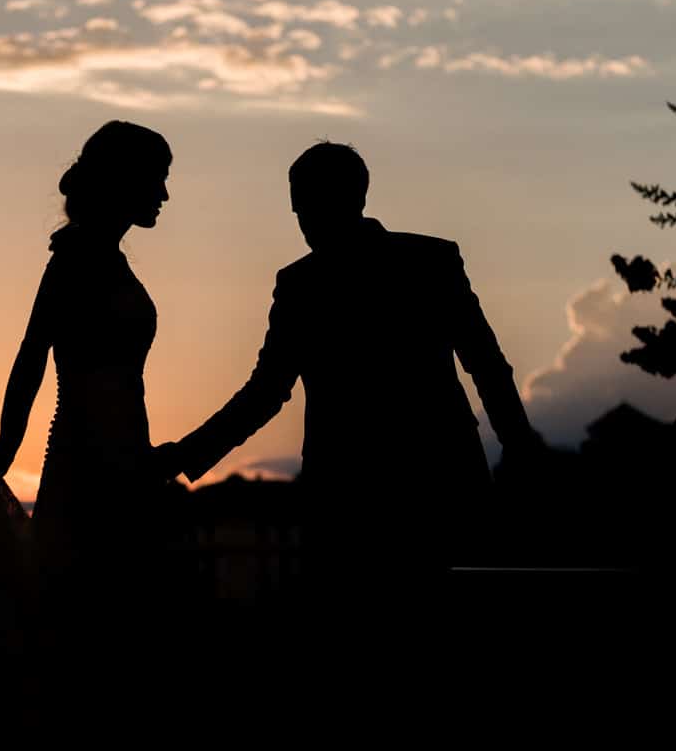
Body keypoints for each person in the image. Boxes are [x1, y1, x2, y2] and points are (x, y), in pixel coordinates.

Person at [162, 141, 543, 614]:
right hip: (426, 483)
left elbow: (265, 393)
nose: (300, 219)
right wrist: (522, 451)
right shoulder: (426, 262)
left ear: (346, 198)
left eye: (304, 205)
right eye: (297, 207)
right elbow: (486, 365)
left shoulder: (310, 283)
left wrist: (184, 456)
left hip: (363, 496)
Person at [0, 120, 178, 731]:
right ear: (125, 182)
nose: (164, 195)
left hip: (122, 462)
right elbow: (32, 352)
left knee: (110, 630)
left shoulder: (103, 257)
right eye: (158, 180)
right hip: (90, 463)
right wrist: (8, 441)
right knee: (91, 627)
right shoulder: (79, 256)